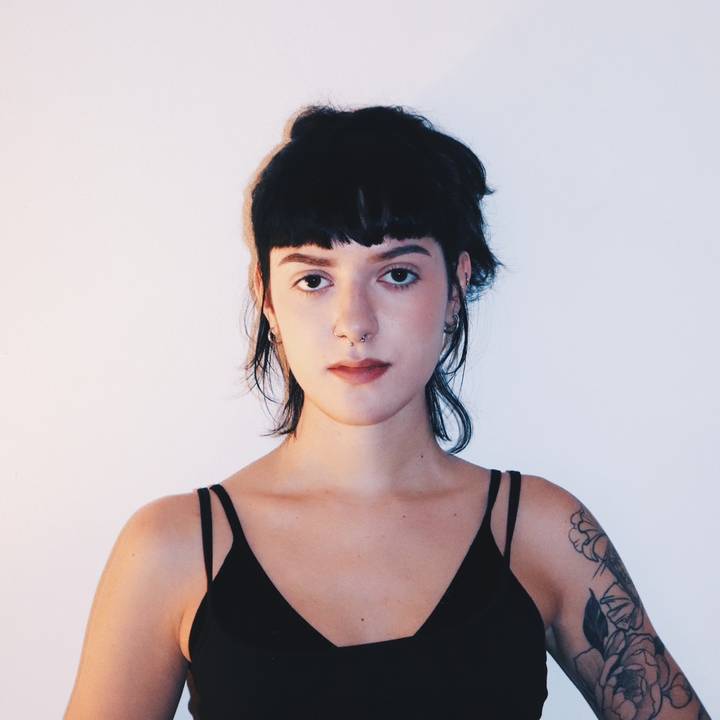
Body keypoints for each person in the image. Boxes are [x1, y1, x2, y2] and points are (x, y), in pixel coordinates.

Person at [64, 104, 711, 720]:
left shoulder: (541, 533)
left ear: (456, 286)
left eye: (396, 274)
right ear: (267, 297)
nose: (355, 323)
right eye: (314, 279)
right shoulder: (174, 549)